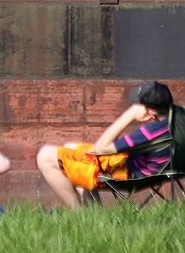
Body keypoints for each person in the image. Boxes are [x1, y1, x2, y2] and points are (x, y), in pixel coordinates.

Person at [36, 80, 174, 210]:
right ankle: (92, 214)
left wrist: (129, 116)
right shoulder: (175, 126)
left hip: (130, 174)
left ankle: (79, 214)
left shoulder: (150, 132)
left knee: (45, 156)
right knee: (71, 148)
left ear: (150, 111)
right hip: (148, 168)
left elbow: (100, 149)